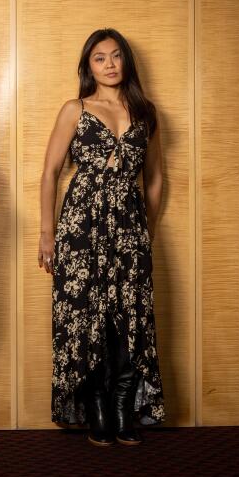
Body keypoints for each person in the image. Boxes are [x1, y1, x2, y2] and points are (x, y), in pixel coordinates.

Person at [39, 28, 165, 446]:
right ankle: (96, 410)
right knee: (86, 318)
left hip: (129, 230)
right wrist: (47, 234)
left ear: (126, 61)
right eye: (99, 57)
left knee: (129, 318)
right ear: (87, 65)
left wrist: (144, 228)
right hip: (80, 228)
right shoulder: (75, 109)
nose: (109, 64)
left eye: (115, 56)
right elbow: (50, 173)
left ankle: (122, 410)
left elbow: (155, 178)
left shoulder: (146, 113)